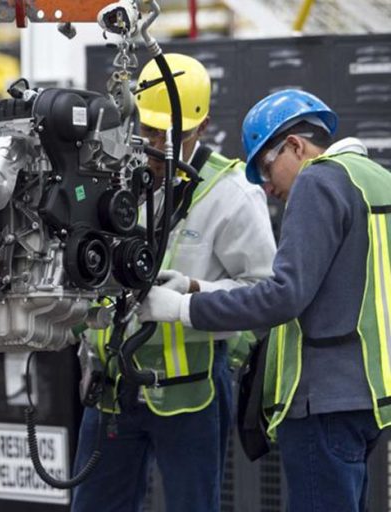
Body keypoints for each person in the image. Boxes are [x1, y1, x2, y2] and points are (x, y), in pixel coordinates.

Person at [137, 89, 388, 512]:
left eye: (266, 169)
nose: (266, 187)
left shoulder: (318, 180)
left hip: (321, 401)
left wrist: (182, 309)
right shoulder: (372, 179)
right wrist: (197, 286)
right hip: (368, 400)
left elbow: (283, 295)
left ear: (294, 145)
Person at [71, 54, 276, 512]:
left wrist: (191, 293)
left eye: (173, 137)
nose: (158, 146)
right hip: (111, 388)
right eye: (149, 132)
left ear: (200, 129)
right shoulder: (110, 179)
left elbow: (265, 295)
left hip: (192, 393)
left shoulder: (231, 195)